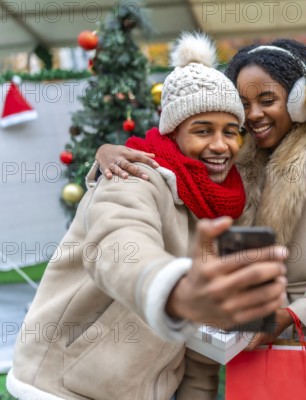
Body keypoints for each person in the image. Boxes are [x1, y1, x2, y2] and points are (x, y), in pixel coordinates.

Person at [7, 32, 287, 400]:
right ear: (173, 132)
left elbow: (202, 335)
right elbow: (119, 244)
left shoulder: (226, 200)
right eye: (203, 131)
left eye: (231, 132)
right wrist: (175, 287)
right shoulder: (133, 177)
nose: (221, 146)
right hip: (66, 386)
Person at [94, 39, 306, 349]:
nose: (254, 114)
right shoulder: (234, 168)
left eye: (267, 100)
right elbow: (172, 162)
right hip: (252, 331)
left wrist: (291, 315)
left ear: (296, 101)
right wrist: (106, 152)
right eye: (244, 104)